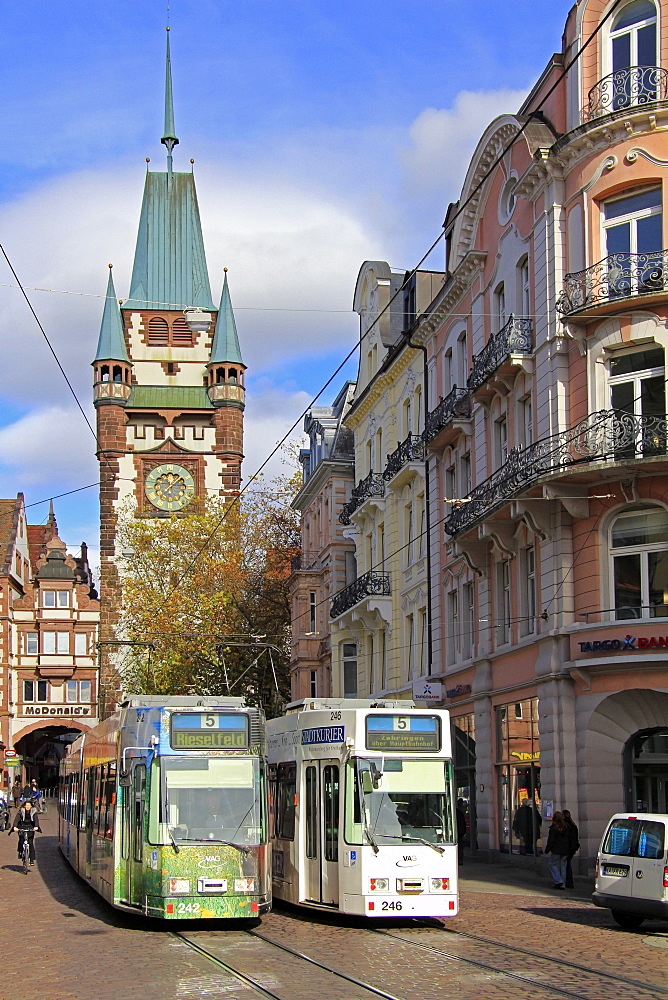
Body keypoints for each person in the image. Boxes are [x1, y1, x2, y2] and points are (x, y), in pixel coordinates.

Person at [10, 798, 42, 865]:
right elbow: (17, 819)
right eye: (26, 805)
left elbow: (36, 820)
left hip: (30, 827)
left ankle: (31, 860)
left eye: (29, 805)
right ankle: (21, 852)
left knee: (30, 843)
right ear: (24, 806)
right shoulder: (21, 811)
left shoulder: (33, 812)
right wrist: (15, 826)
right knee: (21, 840)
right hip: (22, 826)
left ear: (31, 806)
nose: (27, 807)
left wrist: (36, 826)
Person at [544, 811, 571, 889]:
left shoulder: (554, 828)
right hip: (565, 850)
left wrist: (547, 849)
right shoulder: (567, 827)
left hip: (557, 850)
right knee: (563, 866)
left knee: (552, 864)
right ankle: (563, 884)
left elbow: (551, 840)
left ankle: (559, 881)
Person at [562, 808, 580, 889]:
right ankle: (569, 882)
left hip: (567, 848)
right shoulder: (573, 825)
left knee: (565, 865)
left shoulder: (565, 826)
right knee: (567, 865)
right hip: (572, 848)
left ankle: (566, 882)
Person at [456, 799, 467, 865]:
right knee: (460, 846)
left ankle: (459, 860)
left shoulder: (454, 812)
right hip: (460, 831)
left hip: (458, 831)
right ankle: (460, 860)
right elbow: (463, 822)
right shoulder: (459, 811)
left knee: (459, 846)